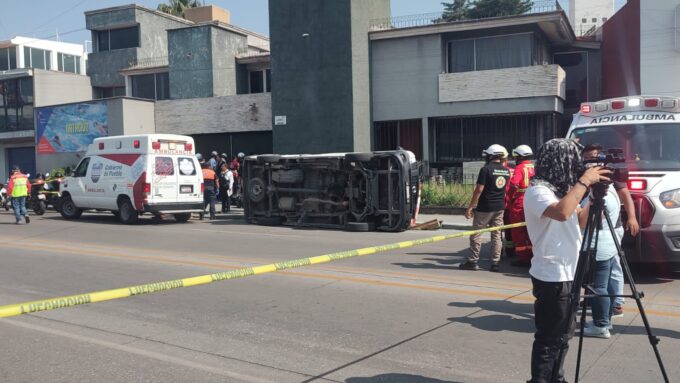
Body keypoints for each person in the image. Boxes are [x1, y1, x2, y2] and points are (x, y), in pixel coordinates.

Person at [523, 138, 610, 383]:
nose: (577, 166)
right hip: (552, 275)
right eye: (573, 160)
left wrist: (596, 196)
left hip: (570, 272)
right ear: (559, 161)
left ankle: (556, 378)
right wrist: (584, 182)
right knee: (549, 339)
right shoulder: (538, 190)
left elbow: (581, 220)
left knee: (564, 336)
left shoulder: (563, 191)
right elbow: (562, 213)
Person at [582, 144, 639, 318]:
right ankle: (595, 300)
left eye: (594, 157)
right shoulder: (586, 174)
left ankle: (616, 304)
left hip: (611, 229)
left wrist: (632, 217)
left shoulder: (609, 173)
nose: (590, 161)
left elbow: (625, 195)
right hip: (594, 227)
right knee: (596, 269)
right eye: (587, 158)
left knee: (613, 266)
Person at [579, 183, 621, 339]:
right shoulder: (610, 191)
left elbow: (585, 221)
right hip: (607, 245)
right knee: (606, 286)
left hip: (597, 247)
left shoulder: (602, 197)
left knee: (598, 288)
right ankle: (604, 320)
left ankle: (601, 325)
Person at [461, 144, 511, 272]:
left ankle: (472, 261)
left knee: (476, 234)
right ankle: (495, 262)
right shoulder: (506, 171)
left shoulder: (485, 169)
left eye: (487, 155)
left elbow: (479, 190)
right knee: (496, 235)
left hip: (485, 207)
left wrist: (470, 207)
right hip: (500, 207)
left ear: (491, 156)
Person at [507, 145, 536, 267]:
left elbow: (513, 184)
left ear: (519, 157)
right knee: (531, 230)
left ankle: (523, 258)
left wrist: (509, 197)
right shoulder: (533, 166)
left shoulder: (520, 168)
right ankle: (532, 255)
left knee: (518, 231)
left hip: (520, 201)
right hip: (532, 199)